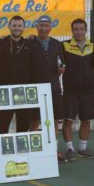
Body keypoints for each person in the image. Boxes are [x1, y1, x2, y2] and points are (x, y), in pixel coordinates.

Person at [29, 15, 66, 162]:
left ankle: (53, 151)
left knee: (54, 120)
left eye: (46, 26)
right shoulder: (30, 43)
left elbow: (62, 63)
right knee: (34, 120)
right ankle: (32, 149)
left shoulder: (57, 44)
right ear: (37, 26)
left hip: (54, 88)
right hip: (35, 88)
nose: (44, 28)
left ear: (51, 28)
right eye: (41, 25)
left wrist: (62, 68)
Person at [0, 15, 33, 133]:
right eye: (14, 25)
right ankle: (3, 150)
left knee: (24, 125)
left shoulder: (30, 45)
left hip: (23, 91)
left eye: (19, 26)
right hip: (4, 91)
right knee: (2, 126)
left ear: (24, 27)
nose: (17, 28)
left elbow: (34, 68)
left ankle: (21, 149)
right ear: (9, 26)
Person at [62, 19, 94, 161]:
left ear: (86, 30)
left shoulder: (93, 46)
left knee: (86, 120)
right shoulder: (64, 45)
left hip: (88, 91)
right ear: (72, 31)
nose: (79, 32)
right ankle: (69, 148)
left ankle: (82, 148)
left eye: (81, 29)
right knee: (68, 121)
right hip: (71, 91)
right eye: (76, 29)